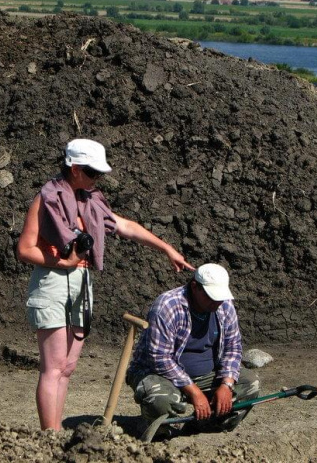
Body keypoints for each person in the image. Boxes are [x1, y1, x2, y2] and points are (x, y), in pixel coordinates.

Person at [16, 138, 194, 431]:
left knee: (68, 368)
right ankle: (50, 436)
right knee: (54, 366)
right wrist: (63, 263)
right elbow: (25, 249)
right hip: (53, 281)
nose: (96, 179)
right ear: (74, 168)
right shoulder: (46, 198)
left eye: (98, 174)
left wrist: (167, 249)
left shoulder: (91, 201)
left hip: (83, 281)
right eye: (91, 172)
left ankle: (56, 431)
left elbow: (125, 226)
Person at [126, 263, 260, 437]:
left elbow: (233, 347)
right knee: (161, 399)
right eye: (211, 297)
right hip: (157, 373)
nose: (217, 302)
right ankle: (156, 430)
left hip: (207, 374)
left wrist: (226, 384)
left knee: (249, 384)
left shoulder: (224, 305)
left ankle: (201, 426)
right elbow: (159, 358)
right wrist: (194, 391)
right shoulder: (167, 306)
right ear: (195, 287)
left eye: (220, 297)